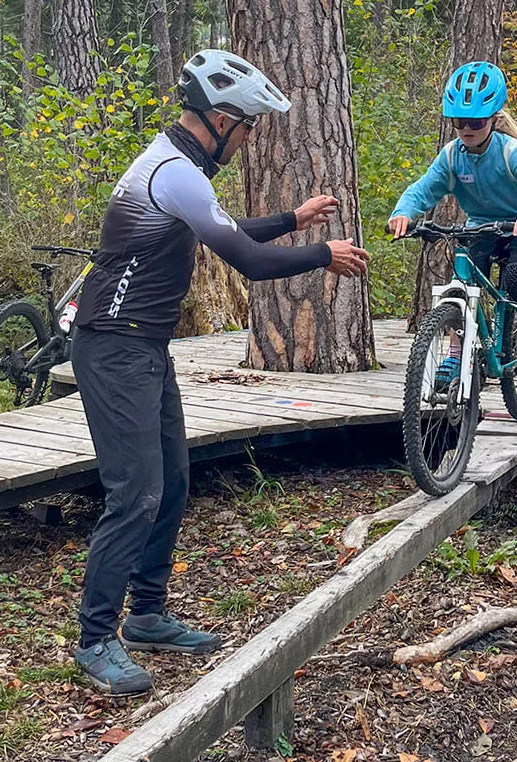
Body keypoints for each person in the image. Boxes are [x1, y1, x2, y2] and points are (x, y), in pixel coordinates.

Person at [70, 49, 370, 695]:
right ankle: (96, 640)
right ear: (222, 118)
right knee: (136, 493)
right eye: (249, 126)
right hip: (112, 347)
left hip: (143, 347)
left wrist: (293, 219)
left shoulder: (176, 168)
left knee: (172, 481)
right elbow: (250, 262)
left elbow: (227, 229)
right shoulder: (174, 172)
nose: (249, 138)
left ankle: (146, 615)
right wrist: (323, 252)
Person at [387, 61, 517, 377]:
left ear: (493, 120)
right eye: (459, 121)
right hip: (481, 226)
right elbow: (423, 189)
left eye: (477, 122)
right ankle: (456, 354)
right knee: (463, 287)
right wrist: (403, 213)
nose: (467, 129)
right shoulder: (452, 155)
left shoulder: (510, 152)